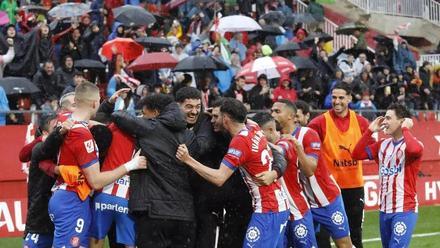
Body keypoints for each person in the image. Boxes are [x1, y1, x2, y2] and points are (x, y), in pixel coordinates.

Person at [176, 98, 289, 248]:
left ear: (226, 119)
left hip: (268, 208)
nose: (212, 120)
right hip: (278, 204)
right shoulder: (253, 127)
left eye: (217, 116)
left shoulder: (239, 142)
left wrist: (188, 160)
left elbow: (219, 178)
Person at [48, 82, 147, 248]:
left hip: (65, 194)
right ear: (95, 103)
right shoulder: (83, 136)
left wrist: (107, 105)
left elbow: (90, 121)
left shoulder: (64, 119)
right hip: (72, 198)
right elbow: (96, 181)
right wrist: (131, 165)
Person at [111, 93, 199, 248]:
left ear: (156, 113)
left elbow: (118, 116)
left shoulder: (151, 127)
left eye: (144, 114)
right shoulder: (190, 136)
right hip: (184, 214)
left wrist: (110, 103)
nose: (142, 117)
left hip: (154, 213)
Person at [352, 103, 423, 248]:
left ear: (402, 121)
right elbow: (356, 154)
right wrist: (370, 131)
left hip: (404, 209)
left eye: (389, 118)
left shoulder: (413, 144)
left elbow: (414, 150)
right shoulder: (382, 145)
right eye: (385, 118)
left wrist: (405, 129)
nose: (384, 122)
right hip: (384, 211)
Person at [308, 82, 369, 248]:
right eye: (334, 97)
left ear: (349, 98)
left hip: (354, 188)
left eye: (341, 97)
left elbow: (370, 150)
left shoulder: (362, 122)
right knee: (322, 238)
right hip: (328, 191)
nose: (337, 101)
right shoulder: (318, 123)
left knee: (355, 236)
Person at [269, 100, 319, 248]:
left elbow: (310, 171)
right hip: (277, 212)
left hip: (298, 208)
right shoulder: (276, 138)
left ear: (291, 116)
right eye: (271, 111)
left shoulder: (303, 135)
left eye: (277, 111)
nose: (272, 115)